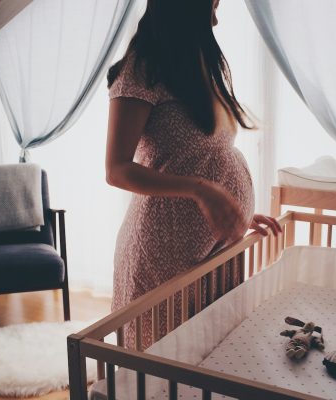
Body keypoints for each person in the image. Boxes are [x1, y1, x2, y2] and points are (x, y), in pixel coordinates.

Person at [105, 0, 281, 350]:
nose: (217, 15)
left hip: (211, 248)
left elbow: (201, 155)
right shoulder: (142, 69)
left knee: (207, 350)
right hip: (163, 250)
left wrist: (233, 213)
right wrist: (203, 191)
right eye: (212, 5)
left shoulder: (198, 65)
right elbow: (116, 169)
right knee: (165, 359)